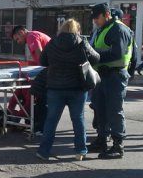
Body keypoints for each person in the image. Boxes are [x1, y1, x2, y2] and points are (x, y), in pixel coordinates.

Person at [35, 19, 100, 161]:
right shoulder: (82, 42)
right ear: (77, 29)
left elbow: (43, 61)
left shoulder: (52, 42)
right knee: (78, 120)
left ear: (62, 29)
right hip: (77, 88)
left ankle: (44, 151)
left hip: (55, 88)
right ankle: (80, 151)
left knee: (51, 120)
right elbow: (96, 58)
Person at [89, 3, 133, 159]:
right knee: (100, 108)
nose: (95, 20)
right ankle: (102, 139)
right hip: (102, 75)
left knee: (114, 110)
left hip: (115, 75)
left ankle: (117, 145)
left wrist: (94, 56)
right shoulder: (103, 29)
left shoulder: (118, 29)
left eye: (97, 17)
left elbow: (117, 53)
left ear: (106, 14)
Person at [11, 25, 51, 134]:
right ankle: (37, 126)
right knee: (40, 100)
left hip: (48, 71)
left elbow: (41, 57)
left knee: (41, 100)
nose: (18, 42)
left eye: (18, 39)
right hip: (50, 69)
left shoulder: (31, 37)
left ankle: (41, 128)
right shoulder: (35, 35)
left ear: (21, 32)